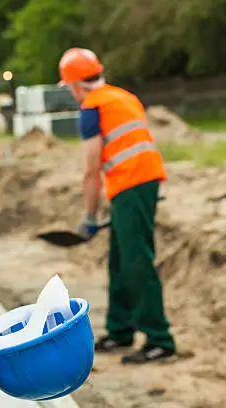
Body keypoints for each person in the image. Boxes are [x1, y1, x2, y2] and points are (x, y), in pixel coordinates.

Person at [58, 47, 176, 365]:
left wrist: (89, 216)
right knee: (120, 260)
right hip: (142, 182)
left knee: (136, 260)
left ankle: (159, 339)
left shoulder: (92, 109)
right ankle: (120, 330)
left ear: (75, 85)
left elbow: (90, 170)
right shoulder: (123, 96)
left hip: (132, 185)